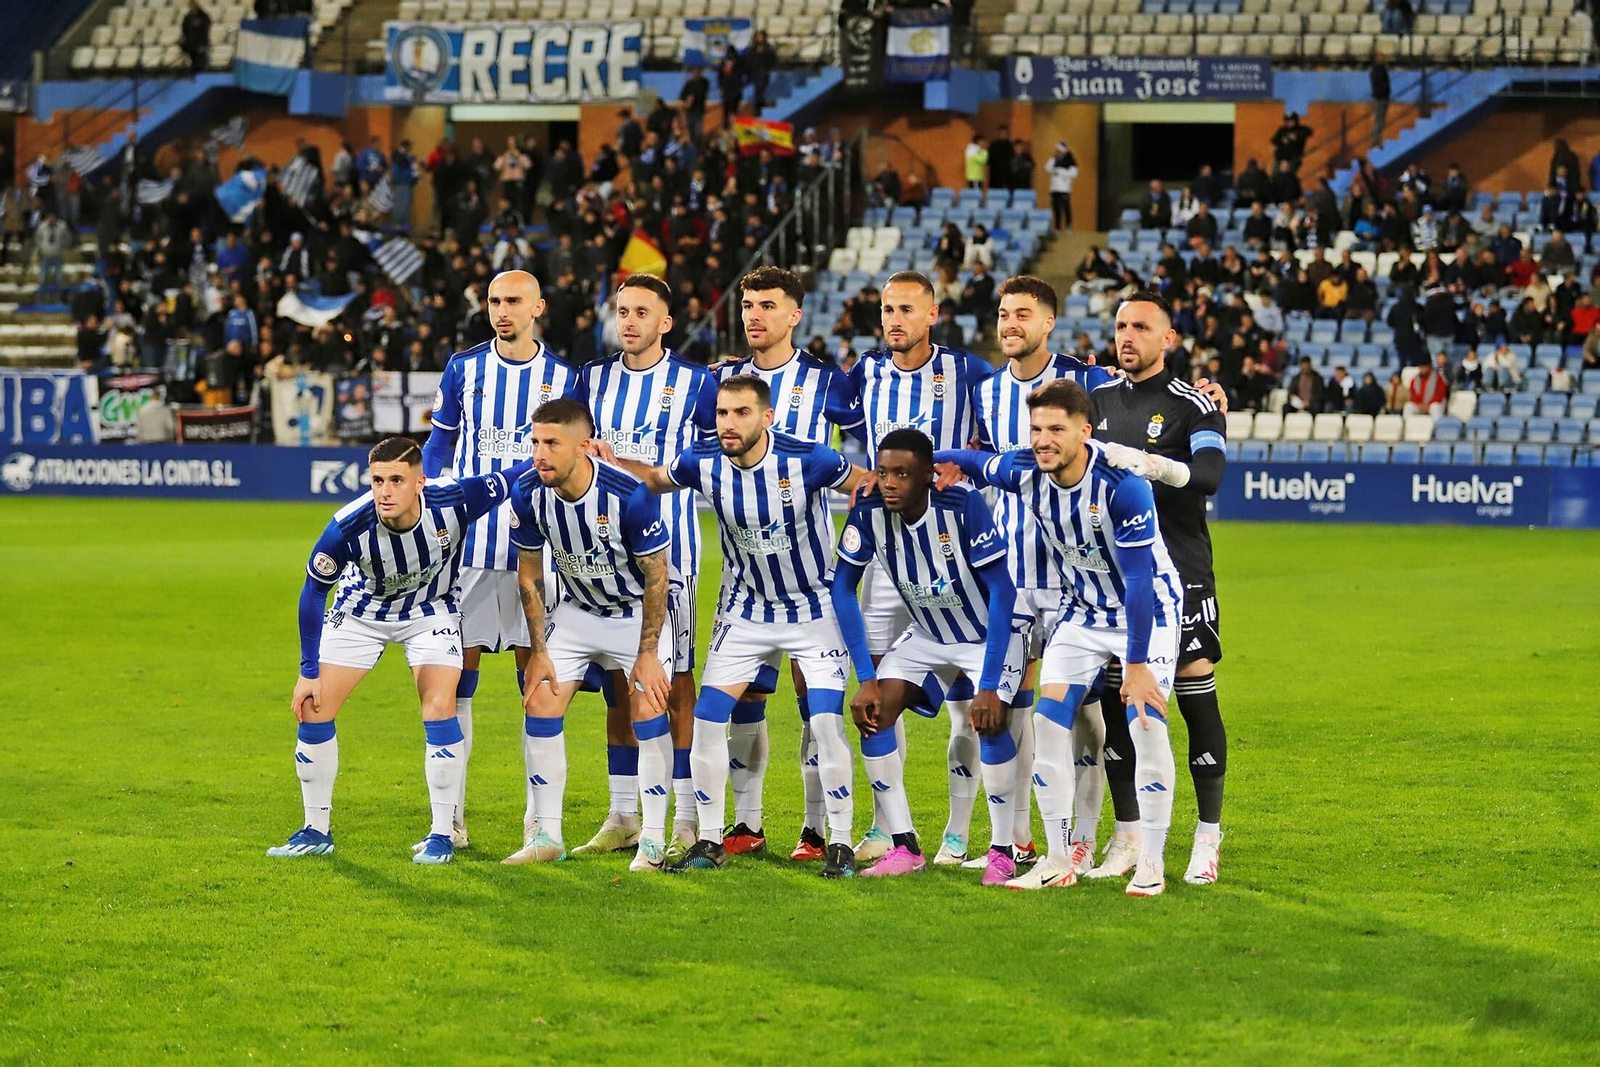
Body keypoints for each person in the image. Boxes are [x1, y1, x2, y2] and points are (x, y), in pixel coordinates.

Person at [597, 375, 875, 877]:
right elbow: (655, 480)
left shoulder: (808, 458)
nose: (728, 423)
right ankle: (708, 840)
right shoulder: (702, 460)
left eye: (741, 413)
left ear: (766, 417)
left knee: (827, 723)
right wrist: (612, 464)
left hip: (813, 610)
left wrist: (864, 525)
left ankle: (840, 842)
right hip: (745, 610)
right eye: (723, 413)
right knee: (707, 720)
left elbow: (867, 483)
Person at [937, 379, 1184, 896]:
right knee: (1049, 723)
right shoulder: (1025, 469)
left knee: (1145, 724)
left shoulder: (1123, 486)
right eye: (1036, 429)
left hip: (1148, 611)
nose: (1043, 439)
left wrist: (1136, 665)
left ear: (1085, 432)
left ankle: (1152, 864)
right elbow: (974, 460)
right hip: (1083, 611)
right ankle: (1056, 858)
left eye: (1056, 429)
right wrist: (930, 460)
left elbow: (1139, 580)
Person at [268, 437, 532, 864]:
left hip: (430, 612)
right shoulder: (348, 525)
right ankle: (315, 829)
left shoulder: (454, 501)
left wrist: (570, 455)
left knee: (439, 706)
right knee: (314, 708)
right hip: (360, 614)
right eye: (377, 481)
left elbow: (512, 477)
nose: (385, 491)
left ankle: (442, 833)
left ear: (419, 482)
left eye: (396, 480)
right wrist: (307, 669)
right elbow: (314, 593)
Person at [418, 270, 583, 849]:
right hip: (464, 550)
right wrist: (435, 499)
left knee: (535, 679)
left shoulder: (564, 378)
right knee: (454, 682)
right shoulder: (464, 368)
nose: (501, 310)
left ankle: (539, 825)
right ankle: (452, 820)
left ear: (538, 306)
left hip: (533, 554)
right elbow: (440, 442)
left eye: (513, 301)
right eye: (493, 301)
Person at [710, 266, 866, 860]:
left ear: (795, 315)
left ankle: (816, 828)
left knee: (813, 700)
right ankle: (744, 824)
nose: (754, 315)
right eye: (748, 304)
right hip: (742, 571)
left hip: (810, 570)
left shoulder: (825, 382)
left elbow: (871, 445)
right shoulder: (721, 381)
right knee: (745, 698)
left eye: (768, 306)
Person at [845, 271, 995, 865]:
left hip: (953, 552)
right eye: (886, 309)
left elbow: (1017, 419)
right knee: (882, 688)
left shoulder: (970, 374)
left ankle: (961, 832)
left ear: (933, 314)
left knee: (969, 699)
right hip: (887, 556)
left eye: (907, 308)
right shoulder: (862, 374)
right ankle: (889, 829)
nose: (893, 320)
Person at [970, 275, 1116, 875]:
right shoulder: (984, 392)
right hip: (1010, 579)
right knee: (999, 707)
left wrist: (1204, 393)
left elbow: (1145, 404)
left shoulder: (1091, 383)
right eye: (1004, 314)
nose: (1010, 324)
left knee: (1083, 717)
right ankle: (1011, 841)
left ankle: (1081, 839)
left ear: (1048, 322)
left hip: (1074, 585)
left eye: (1023, 314)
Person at [833, 430, 1026, 881]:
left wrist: (989, 684)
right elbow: (842, 588)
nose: (890, 483)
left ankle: (1002, 851)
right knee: (875, 713)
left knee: (989, 722)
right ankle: (905, 846)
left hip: (986, 634)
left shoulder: (961, 505)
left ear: (927, 475)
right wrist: (866, 677)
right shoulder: (869, 512)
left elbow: (1002, 590)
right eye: (883, 473)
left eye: (902, 473)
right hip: (928, 633)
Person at [1086, 292, 1230, 888]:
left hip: (1184, 568)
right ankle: (1127, 836)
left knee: (1194, 694)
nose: (1128, 335)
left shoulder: (1193, 402)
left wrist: (1150, 464)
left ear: (1167, 338)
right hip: (1119, 573)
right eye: (1121, 325)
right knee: (1119, 703)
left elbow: (1210, 477)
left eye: (1141, 326)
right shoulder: (1095, 400)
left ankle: (1207, 838)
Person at [574, 274, 718, 862]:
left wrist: (631, 464)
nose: (628, 321)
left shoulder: (695, 382)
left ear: (666, 323)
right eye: (621, 310)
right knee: (616, 683)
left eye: (641, 312)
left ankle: (684, 815)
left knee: (673, 681)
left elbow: (712, 456)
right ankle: (623, 812)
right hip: (607, 553)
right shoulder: (592, 379)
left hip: (672, 549)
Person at [499, 400, 674, 870]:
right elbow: (530, 575)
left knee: (647, 704)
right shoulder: (528, 492)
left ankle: (653, 838)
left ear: (583, 445)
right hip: (577, 611)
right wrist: (538, 651)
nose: (540, 453)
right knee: (540, 698)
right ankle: (547, 835)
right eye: (534, 442)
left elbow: (658, 577)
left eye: (552, 443)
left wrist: (648, 653)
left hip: (635, 611)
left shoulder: (629, 495)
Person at [1047, 142, 1078, 231]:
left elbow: (1074, 173)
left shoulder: (1070, 160)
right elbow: (1047, 168)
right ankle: (1057, 227)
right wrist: (1053, 158)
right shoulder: (1054, 159)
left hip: (1064, 188)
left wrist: (1060, 172)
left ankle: (1068, 226)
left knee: (1066, 208)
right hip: (1054, 188)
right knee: (1056, 208)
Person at [181, 1, 212, 74]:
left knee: (202, 60)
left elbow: (207, 26)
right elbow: (184, 29)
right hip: (191, 44)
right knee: (194, 61)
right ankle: (194, 72)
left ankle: (202, 73)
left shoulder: (203, 16)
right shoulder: (188, 17)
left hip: (201, 43)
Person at [1370, 55, 1391, 147]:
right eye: (1381, 58)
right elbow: (1379, 84)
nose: (1383, 59)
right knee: (1379, 121)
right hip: (1380, 98)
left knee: (1381, 121)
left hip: (1383, 97)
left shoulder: (1382, 69)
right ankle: (1375, 142)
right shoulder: (1376, 71)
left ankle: (1377, 141)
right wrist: (1382, 94)